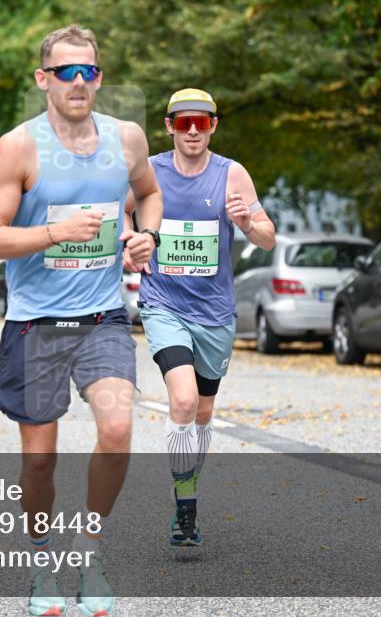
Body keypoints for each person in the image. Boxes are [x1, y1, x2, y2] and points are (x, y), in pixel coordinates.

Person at [0, 24, 162, 617]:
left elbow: (149, 195)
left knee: (116, 428)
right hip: (36, 322)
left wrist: (147, 235)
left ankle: (90, 552)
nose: (78, 82)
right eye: (65, 72)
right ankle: (40, 562)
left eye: (88, 71)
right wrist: (56, 231)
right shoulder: (17, 148)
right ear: (44, 79)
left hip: (104, 315)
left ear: (99, 78)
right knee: (39, 461)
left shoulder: (127, 138)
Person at [130, 88, 275, 547]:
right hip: (163, 304)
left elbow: (269, 237)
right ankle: (185, 504)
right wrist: (133, 246)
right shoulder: (149, 171)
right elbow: (120, 219)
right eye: (184, 122)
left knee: (204, 412)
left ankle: (186, 490)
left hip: (214, 313)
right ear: (169, 126)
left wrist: (248, 224)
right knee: (185, 401)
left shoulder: (232, 175)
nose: (193, 130)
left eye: (203, 122)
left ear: (214, 126)